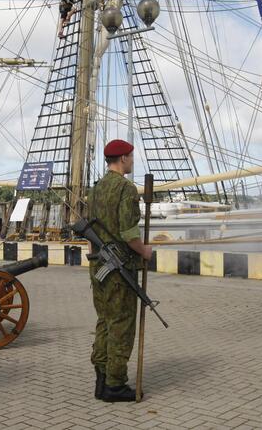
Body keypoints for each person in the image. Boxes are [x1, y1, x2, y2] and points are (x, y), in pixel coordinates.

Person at [87, 139, 153, 402]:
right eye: (131, 157)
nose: (132, 161)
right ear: (123, 158)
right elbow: (128, 232)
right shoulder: (126, 188)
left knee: (104, 321)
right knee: (121, 325)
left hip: (99, 266)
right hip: (120, 268)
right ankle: (115, 385)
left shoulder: (97, 188)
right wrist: (143, 251)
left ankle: (101, 380)